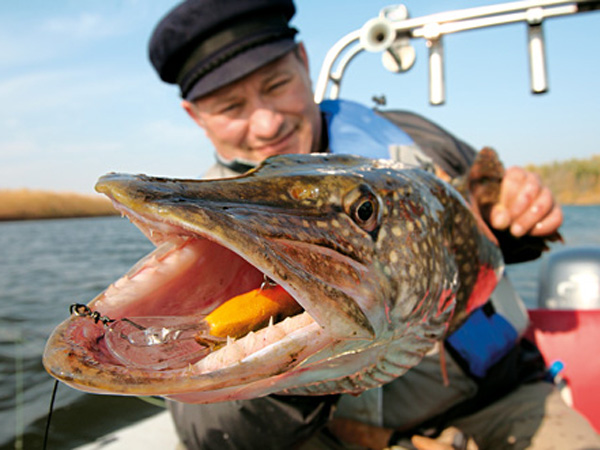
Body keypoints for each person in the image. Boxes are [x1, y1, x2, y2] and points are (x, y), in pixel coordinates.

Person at [147, 1, 600, 449]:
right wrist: (280, 357)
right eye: (231, 106)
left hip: (497, 397)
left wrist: (521, 215)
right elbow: (203, 427)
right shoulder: (200, 231)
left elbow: (489, 224)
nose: (267, 123)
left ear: (303, 63)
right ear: (196, 117)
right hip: (343, 435)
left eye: (277, 83)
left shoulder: (412, 141)